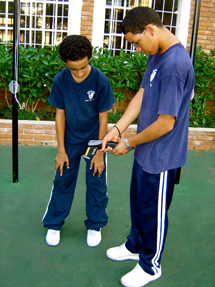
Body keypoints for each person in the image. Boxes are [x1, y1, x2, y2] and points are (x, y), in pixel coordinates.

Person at [101, 7, 195, 287]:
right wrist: (118, 129)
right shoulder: (157, 55)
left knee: (153, 211)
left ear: (151, 30)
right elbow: (141, 96)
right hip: (146, 151)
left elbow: (166, 123)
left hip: (162, 157)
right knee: (139, 204)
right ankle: (134, 246)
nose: (138, 49)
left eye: (137, 42)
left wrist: (127, 143)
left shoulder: (175, 64)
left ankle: (150, 265)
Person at [42, 35, 115, 247]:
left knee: (96, 180)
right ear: (65, 64)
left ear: (89, 58)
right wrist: (61, 150)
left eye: (83, 67)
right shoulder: (60, 80)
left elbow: (104, 118)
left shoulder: (101, 80)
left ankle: (95, 225)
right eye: (74, 69)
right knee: (62, 179)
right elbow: (59, 116)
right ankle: (54, 223)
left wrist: (100, 152)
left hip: (94, 140)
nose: (80, 73)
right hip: (70, 140)